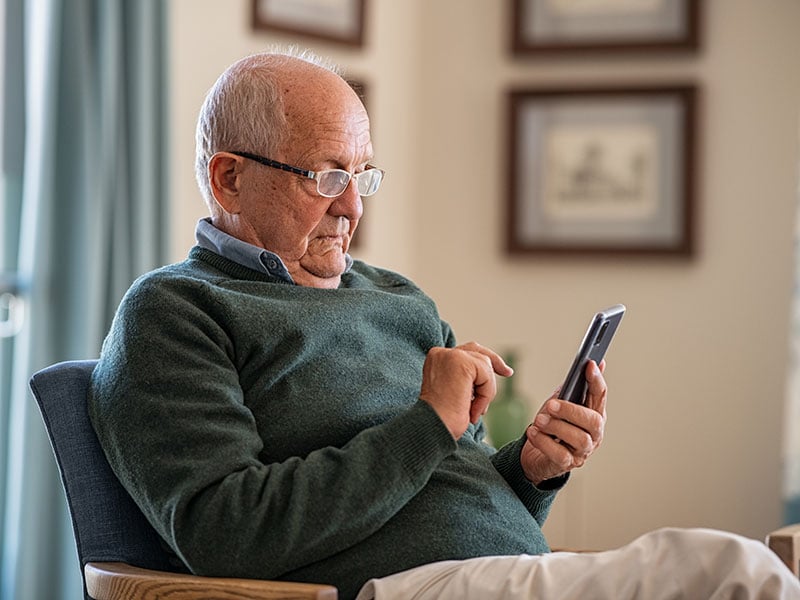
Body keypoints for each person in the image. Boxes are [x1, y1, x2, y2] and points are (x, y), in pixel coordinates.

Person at [88, 47, 800, 600]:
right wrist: (428, 422)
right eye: (326, 176)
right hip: (389, 588)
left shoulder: (400, 298)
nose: (352, 209)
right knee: (733, 570)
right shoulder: (175, 312)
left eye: (362, 176)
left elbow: (449, 487)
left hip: (493, 573)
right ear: (229, 179)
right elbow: (225, 532)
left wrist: (527, 470)